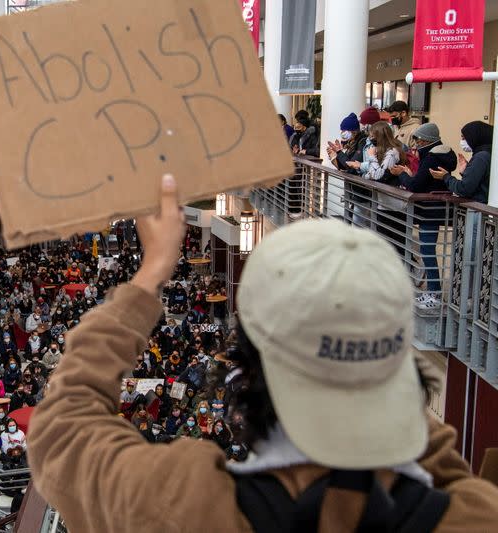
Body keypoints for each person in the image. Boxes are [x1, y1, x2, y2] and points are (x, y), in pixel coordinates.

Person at [26, 175, 498, 531]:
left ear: (248, 364)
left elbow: (63, 431)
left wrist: (150, 274)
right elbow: (441, 463)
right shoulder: (474, 516)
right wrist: (374, 373)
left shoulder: (188, 506)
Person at [389, 122, 457, 309]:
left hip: (429, 210)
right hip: (436, 209)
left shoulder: (431, 158)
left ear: (426, 140)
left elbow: (415, 185)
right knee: (428, 249)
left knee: (427, 250)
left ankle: (434, 292)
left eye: (418, 139)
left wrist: (403, 174)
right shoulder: (444, 156)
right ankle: (432, 291)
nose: (416, 143)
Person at [346, 121, 407, 252]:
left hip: (393, 204)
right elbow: (373, 174)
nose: (371, 139)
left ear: (380, 136)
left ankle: (408, 268)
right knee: (385, 239)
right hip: (383, 202)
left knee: (395, 241)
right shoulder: (385, 152)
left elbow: (378, 175)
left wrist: (372, 157)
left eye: (373, 136)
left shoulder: (391, 153)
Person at [430, 120, 492, 204]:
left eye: (464, 138)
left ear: (475, 137)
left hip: (479, 208)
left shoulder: (480, 157)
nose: (462, 141)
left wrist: (446, 177)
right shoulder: (489, 153)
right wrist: (467, 171)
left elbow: (464, 189)